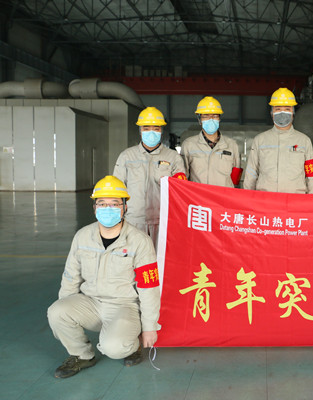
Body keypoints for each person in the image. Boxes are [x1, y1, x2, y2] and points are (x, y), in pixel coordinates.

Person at [47, 176, 161, 378]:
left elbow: (149, 288)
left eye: (114, 204)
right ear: (94, 208)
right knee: (56, 311)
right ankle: (82, 355)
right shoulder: (82, 236)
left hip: (124, 307)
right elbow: (71, 276)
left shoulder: (139, 242)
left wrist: (150, 327)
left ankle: (131, 344)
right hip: (90, 303)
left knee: (114, 348)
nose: (108, 209)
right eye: (102, 203)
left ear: (125, 207)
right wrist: (65, 311)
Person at [113, 106, 186, 246]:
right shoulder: (127, 156)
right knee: (134, 255)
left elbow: (181, 189)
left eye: (156, 128)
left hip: (162, 220)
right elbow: (117, 190)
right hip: (134, 220)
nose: (151, 132)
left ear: (161, 131)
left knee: (161, 256)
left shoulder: (173, 157)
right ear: (140, 130)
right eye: (146, 128)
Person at [243, 88, 313, 193]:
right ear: (271, 113)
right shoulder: (260, 140)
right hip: (266, 199)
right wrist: (248, 198)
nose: (282, 113)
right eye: (278, 109)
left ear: (293, 112)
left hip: (295, 199)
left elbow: (311, 176)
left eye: (287, 109)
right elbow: (251, 173)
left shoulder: (304, 141)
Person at [180, 96, 242, 187]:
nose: (211, 119)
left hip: (223, 195)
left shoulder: (232, 145)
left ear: (219, 119)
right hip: (198, 195)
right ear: (199, 120)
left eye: (215, 116)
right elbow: (183, 178)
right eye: (206, 116)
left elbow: (235, 179)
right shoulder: (189, 145)